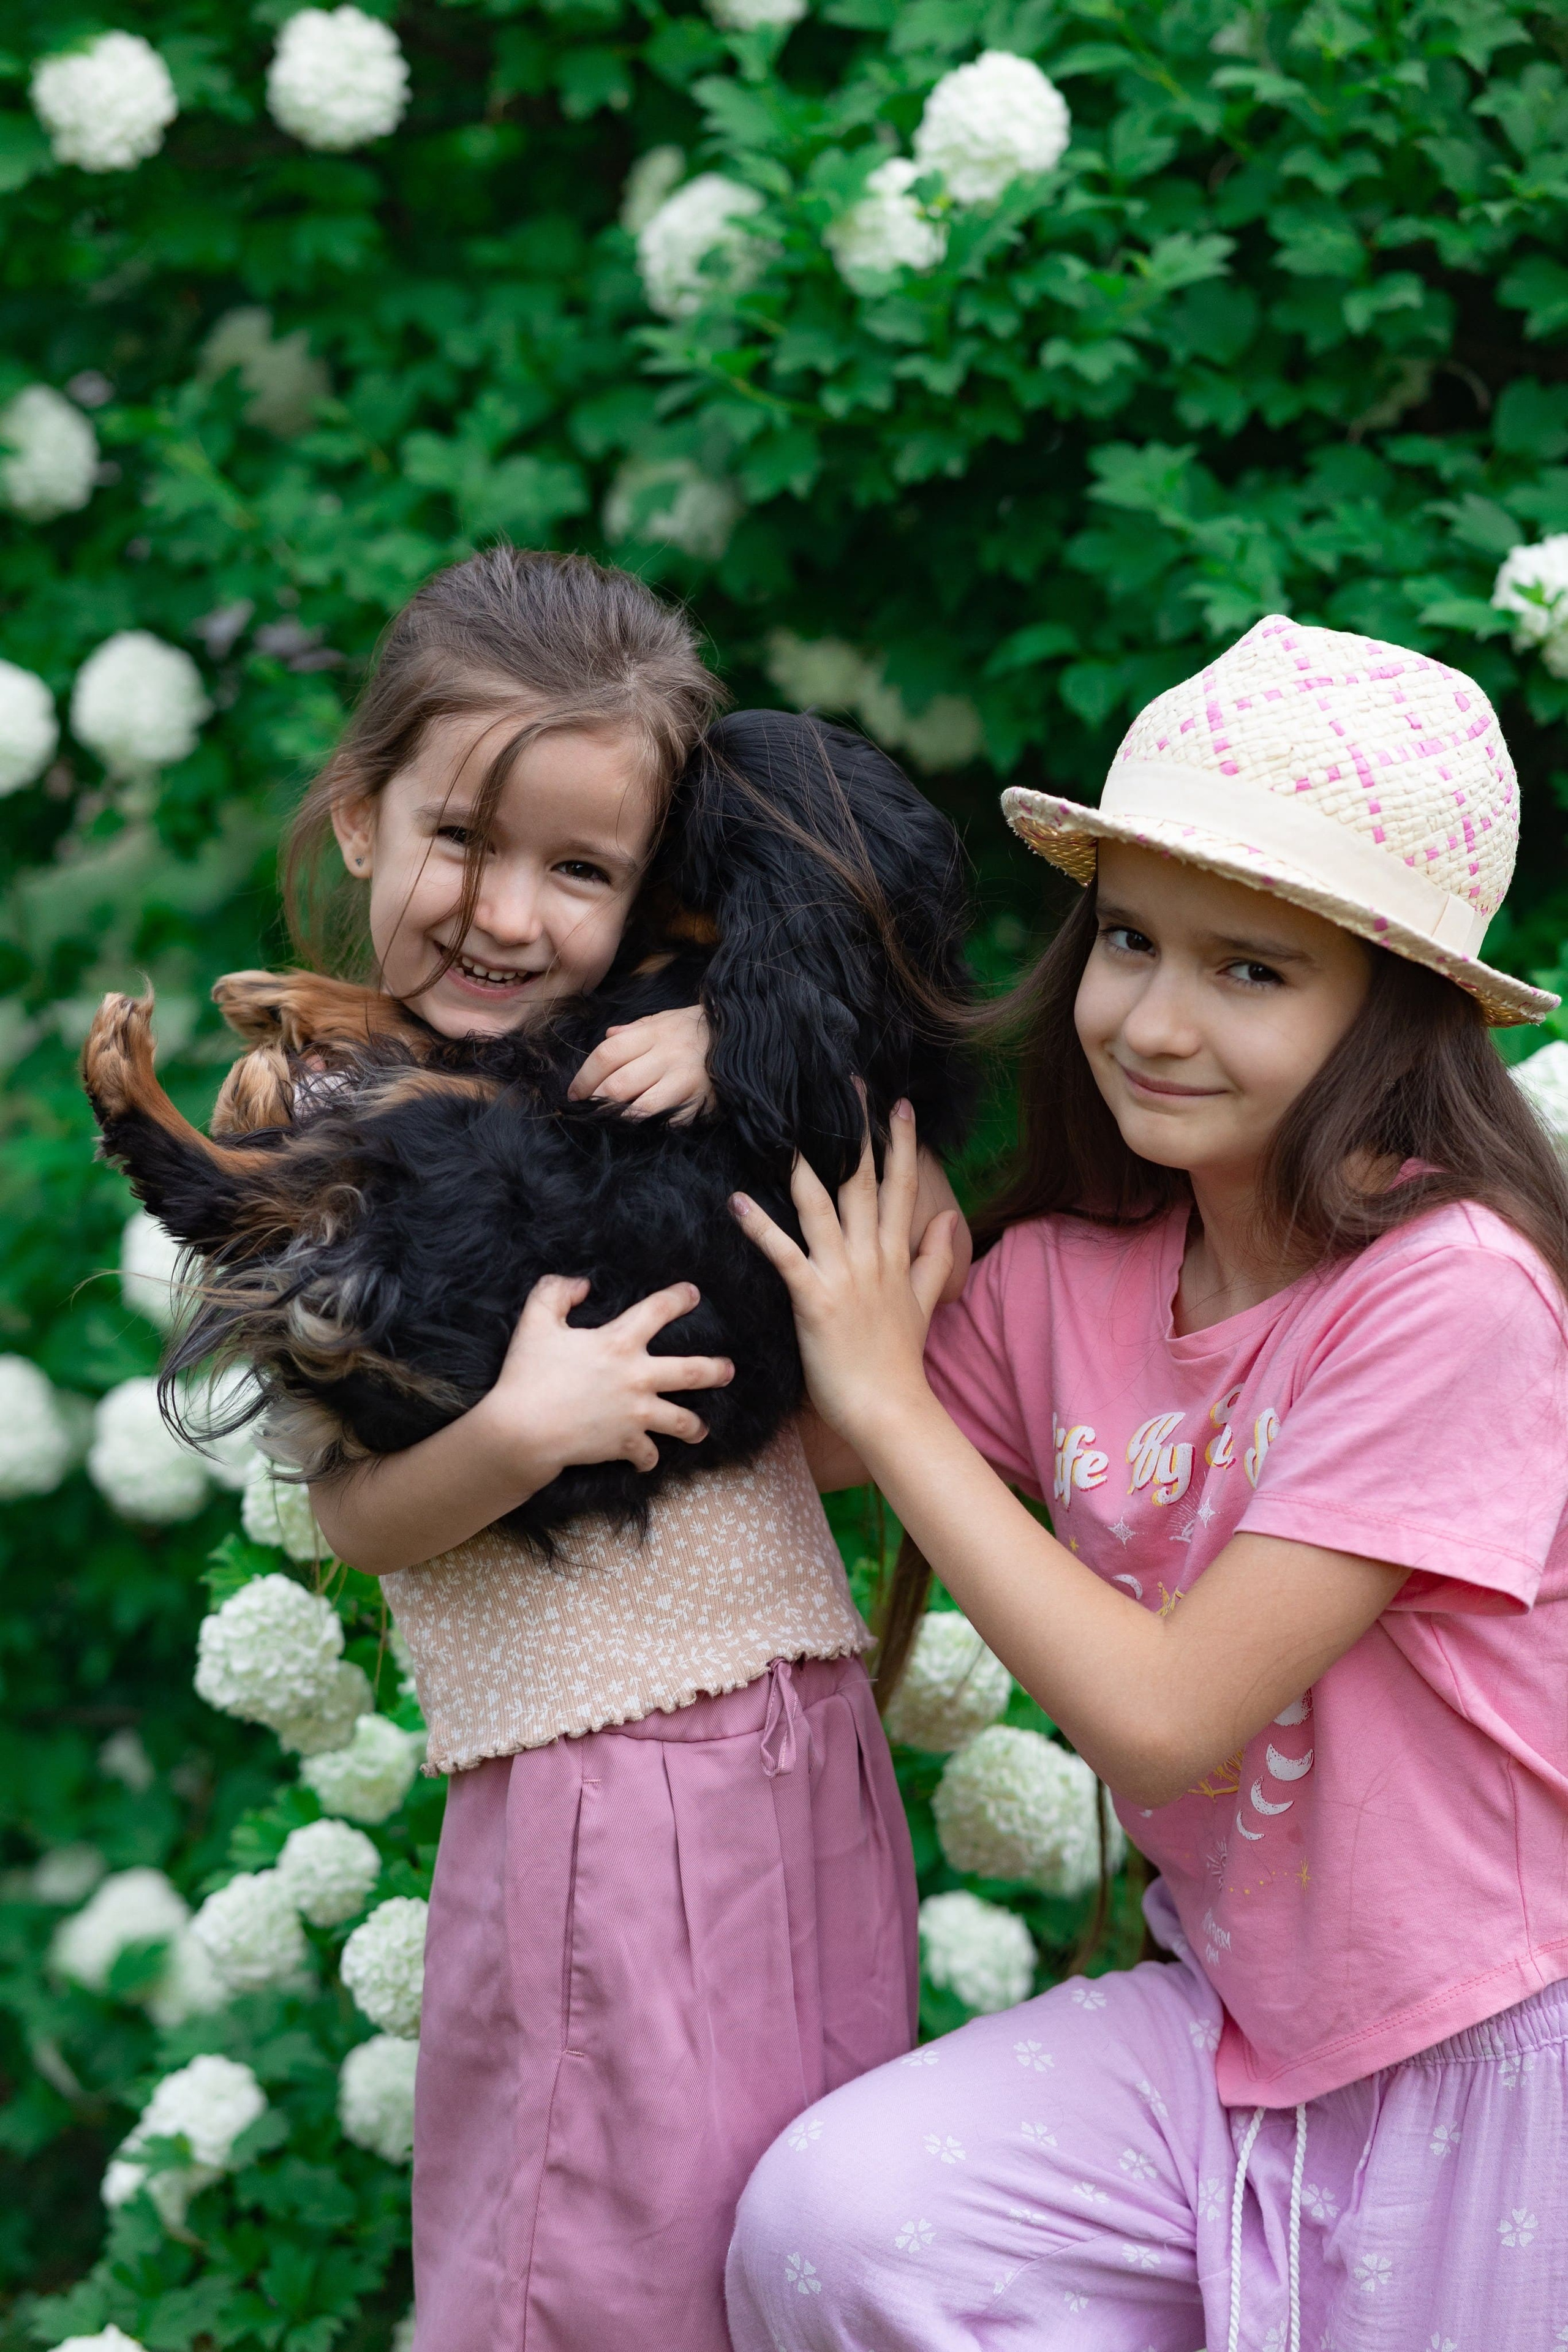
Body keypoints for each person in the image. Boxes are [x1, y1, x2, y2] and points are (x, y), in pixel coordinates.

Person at [726, 614, 1568, 2351]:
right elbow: (776, 1441)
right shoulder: (1075, 1278)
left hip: (1497, 2042)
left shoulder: (1455, 1293)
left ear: (1390, 1018)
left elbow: (1168, 1719)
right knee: (845, 2226)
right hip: (1236, 2024)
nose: (1157, 1021)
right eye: (1129, 943)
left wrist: (896, 1412)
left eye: (1251, 971)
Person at [268, 546, 966, 2351]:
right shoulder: (334, 1126)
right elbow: (353, 1518)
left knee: (790, 2246)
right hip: (600, 1793)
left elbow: (811, 1424)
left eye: (578, 868)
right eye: (461, 843)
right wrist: (517, 1432)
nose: (508, 914)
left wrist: (738, 1047)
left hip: (808, 1756)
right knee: (593, 2267)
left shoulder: (657, 1053)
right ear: (358, 820)